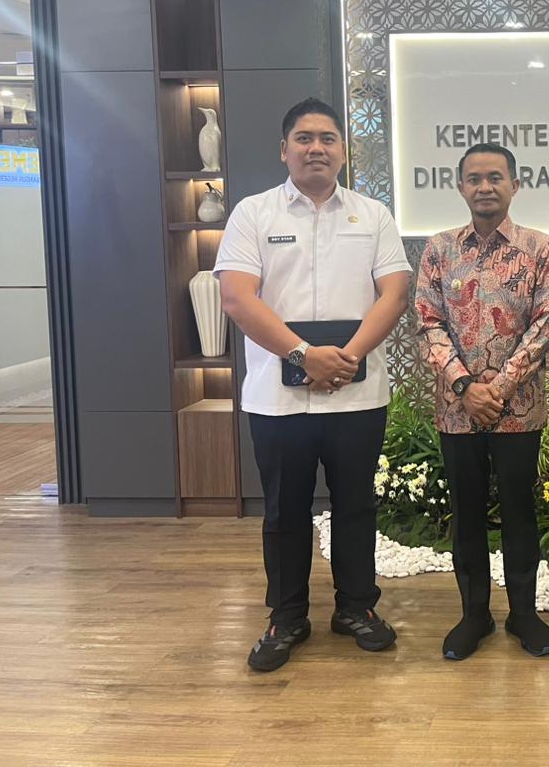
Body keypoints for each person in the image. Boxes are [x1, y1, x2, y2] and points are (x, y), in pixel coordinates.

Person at [215, 97, 411, 672]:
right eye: (304, 138)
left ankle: (356, 608)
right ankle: (287, 616)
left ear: (343, 151)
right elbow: (237, 297)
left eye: (328, 138)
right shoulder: (253, 214)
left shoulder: (373, 215)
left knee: (356, 506)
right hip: (278, 402)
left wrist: (345, 358)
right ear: (284, 150)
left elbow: (395, 293)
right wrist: (304, 355)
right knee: (284, 512)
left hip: (357, 393)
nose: (316, 148)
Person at [414, 142, 549, 661]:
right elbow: (428, 322)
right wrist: (464, 386)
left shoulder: (540, 249)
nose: (485, 187)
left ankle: (524, 614)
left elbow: (545, 325)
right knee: (467, 514)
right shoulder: (438, 249)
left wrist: (497, 390)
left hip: (519, 412)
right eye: (474, 178)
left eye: (495, 177)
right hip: (457, 413)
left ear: (515, 185)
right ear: (460, 187)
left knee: (521, 513)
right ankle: (474, 615)